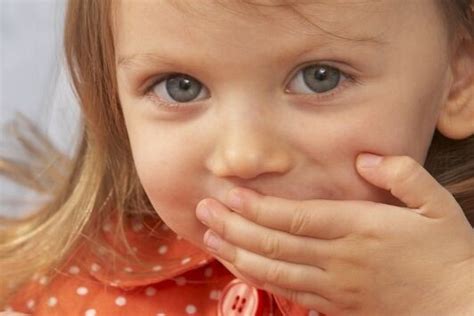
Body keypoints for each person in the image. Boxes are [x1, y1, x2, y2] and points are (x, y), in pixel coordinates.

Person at [1, 0, 473, 315]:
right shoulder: (71, 283)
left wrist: (451, 295)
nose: (243, 157)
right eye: (180, 87)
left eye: (320, 78)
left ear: (459, 79)